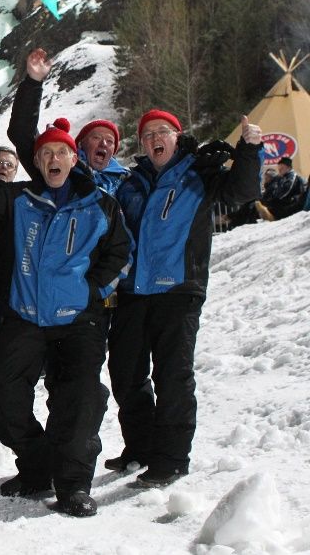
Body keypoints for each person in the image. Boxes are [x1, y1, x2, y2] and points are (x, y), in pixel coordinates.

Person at [0, 111, 132, 517]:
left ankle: (74, 484)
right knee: (4, 399)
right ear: (38, 163)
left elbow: (120, 253)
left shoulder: (101, 205)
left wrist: (93, 290)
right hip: (25, 317)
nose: (54, 159)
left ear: (73, 160)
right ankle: (38, 466)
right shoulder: (19, 199)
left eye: (62, 152)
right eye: (47, 154)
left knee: (77, 402)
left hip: (79, 321)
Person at [109, 110, 262, 488]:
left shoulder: (200, 175)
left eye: (163, 132)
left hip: (178, 292)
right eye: (147, 135)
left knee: (172, 377)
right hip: (132, 293)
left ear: (178, 137)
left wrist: (249, 149)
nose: (154, 139)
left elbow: (243, 191)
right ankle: (141, 447)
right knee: (126, 375)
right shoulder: (131, 184)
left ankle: (172, 460)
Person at [9, 48, 129, 194]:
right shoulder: (57, 166)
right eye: (96, 137)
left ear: (113, 151)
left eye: (110, 141)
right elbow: (22, 132)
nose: (103, 144)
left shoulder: (128, 183)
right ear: (79, 144)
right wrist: (33, 82)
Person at [255, 157, 306, 221]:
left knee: (269, 206)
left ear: (289, 168)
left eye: (282, 168)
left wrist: (272, 200)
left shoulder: (292, 177)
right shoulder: (283, 177)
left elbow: (285, 192)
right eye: (279, 168)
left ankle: (271, 214)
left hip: (292, 204)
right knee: (257, 204)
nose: (279, 170)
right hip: (285, 203)